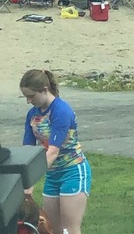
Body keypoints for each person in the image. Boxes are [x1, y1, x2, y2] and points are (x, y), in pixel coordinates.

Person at [20, 69, 91, 234]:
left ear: (44, 90)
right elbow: (27, 151)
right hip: (52, 175)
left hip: (72, 170)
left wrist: (30, 180)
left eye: (31, 96)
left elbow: (53, 152)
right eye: (26, 97)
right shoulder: (32, 114)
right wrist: (23, 181)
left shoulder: (61, 110)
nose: (28, 101)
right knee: (51, 229)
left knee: (69, 229)